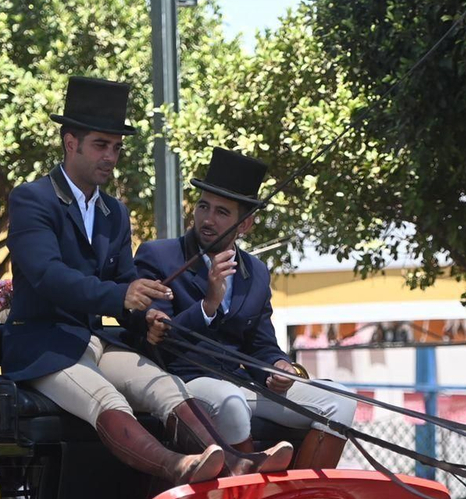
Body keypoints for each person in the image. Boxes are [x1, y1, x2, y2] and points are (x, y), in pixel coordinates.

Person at [3, 76, 284, 484]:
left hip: (95, 342)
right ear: (70, 142)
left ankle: (230, 459)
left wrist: (149, 317)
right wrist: (124, 296)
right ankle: (177, 467)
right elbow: (49, 276)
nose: (111, 156)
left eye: (116, 147)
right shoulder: (33, 199)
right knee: (106, 398)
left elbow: (127, 283)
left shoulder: (114, 212)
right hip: (42, 346)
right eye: (101, 145)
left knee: (165, 386)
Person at [135, 149, 355, 469]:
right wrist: (208, 304)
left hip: (242, 382)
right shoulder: (159, 256)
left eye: (222, 212)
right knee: (232, 402)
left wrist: (279, 367)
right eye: (203, 206)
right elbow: (158, 339)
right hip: (183, 380)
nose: (208, 219)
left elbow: (262, 344)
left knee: (340, 401)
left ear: (246, 224)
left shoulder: (256, 273)